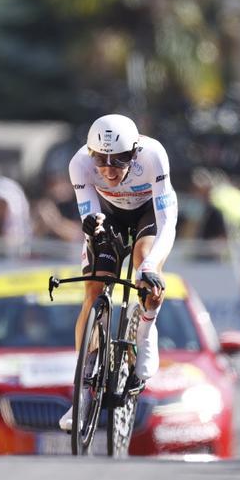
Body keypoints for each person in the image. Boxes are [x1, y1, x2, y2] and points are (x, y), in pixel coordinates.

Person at [58, 114, 177, 432]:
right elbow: (90, 212)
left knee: (144, 265)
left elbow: (167, 223)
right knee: (94, 288)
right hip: (107, 213)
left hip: (148, 213)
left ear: (134, 153)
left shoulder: (153, 155)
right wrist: (93, 227)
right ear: (90, 154)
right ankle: (81, 394)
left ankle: (146, 335)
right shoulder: (79, 163)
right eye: (101, 161)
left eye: (119, 160)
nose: (109, 170)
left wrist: (150, 267)